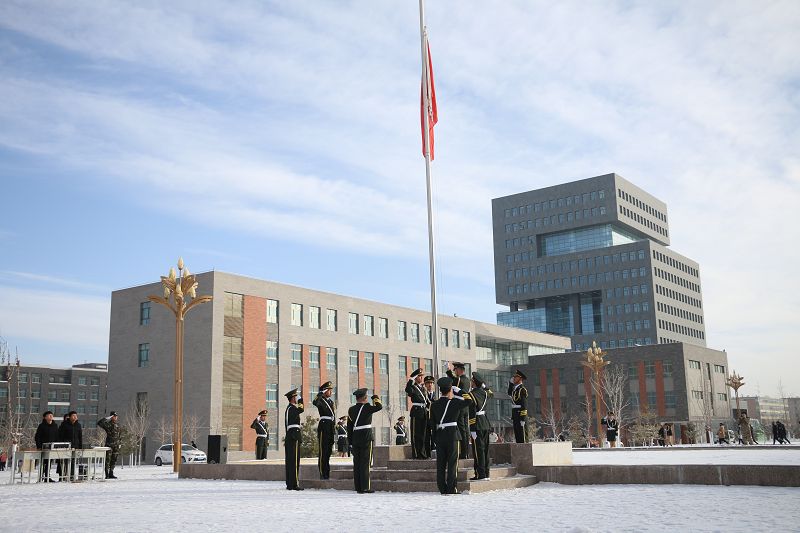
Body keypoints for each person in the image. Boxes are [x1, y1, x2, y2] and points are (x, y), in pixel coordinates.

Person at [429, 376, 470, 494]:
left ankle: (442, 488)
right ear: (451, 390)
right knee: (452, 464)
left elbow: (432, 424)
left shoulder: (434, 405)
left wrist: (435, 438)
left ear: (440, 390)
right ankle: (452, 488)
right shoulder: (455, 403)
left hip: (440, 436)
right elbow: (469, 401)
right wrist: (460, 391)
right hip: (453, 436)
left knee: (441, 464)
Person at [346, 388, 382, 494]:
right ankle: (365, 487)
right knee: (365, 463)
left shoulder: (351, 410)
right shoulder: (367, 407)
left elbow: (349, 428)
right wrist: (375, 397)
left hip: (355, 438)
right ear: (365, 397)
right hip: (366, 437)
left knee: (357, 463)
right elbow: (379, 406)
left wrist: (350, 442)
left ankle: (358, 487)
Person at [467, 372, 493, 480]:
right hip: (485, 423)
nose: (471, 382)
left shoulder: (471, 395)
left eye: (472, 381)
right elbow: (491, 393)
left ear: (474, 382)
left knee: (478, 451)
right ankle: (486, 473)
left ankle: (480, 474)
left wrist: (472, 428)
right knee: (485, 450)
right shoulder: (485, 393)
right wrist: (484, 386)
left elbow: (472, 412)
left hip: (477, 425)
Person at [446, 362, 471, 458]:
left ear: (460, 370)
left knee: (461, 430)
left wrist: (448, 371)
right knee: (465, 429)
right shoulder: (467, 380)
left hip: (459, 406)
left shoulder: (460, 379)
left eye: (455, 370)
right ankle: (466, 452)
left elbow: (453, 380)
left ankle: (463, 452)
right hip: (465, 406)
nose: (455, 372)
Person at [312, 381, 336, 480]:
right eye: (329, 390)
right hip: (324, 427)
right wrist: (320, 393)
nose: (331, 392)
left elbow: (333, 416)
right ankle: (322, 473)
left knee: (328, 451)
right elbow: (314, 402)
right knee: (323, 451)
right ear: (325, 391)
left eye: (331, 390)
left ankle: (327, 472)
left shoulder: (331, 402)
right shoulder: (321, 400)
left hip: (330, 427)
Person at [405, 368, 428, 459]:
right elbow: (408, 390)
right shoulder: (413, 387)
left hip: (423, 411)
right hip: (416, 411)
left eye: (422, 376)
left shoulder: (423, 388)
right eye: (419, 376)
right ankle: (416, 453)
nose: (421, 378)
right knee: (415, 434)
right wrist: (411, 379)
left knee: (423, 434)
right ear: (415, 377)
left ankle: (422, 453)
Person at [284, 388, 304, 490]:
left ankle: (290, 484)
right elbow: (301, 409)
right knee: (294, 461)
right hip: (294, 436)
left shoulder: (289, 409)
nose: (297, 398)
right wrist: (301, 400)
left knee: (291, 461)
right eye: (296, 397)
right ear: (293, 398)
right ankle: (294, 484)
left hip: (291, 435)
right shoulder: (291, 408)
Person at [35, 411, 60, 482]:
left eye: (51, 415)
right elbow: (37, 437)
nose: (51, 416)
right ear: (45, 417)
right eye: (49, 415)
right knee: (43, 463)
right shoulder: (41, 426)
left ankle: (47, 477)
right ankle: (41, 477)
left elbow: (57, 436)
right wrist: (39, 446)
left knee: (49, 463)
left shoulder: (55, 426)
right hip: (43, 448)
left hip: (52, 448)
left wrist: (57, 445)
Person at [97, 411, 121, 479]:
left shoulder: (118, 425)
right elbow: (99, 423)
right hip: (109, 445)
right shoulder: (108, 424)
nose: (115, 417)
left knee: (114, 459)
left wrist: (120, 443)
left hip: (116, 445)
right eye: (114, 416)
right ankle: (106, 474)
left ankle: (111, 473)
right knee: (108, 459)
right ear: (111, 417)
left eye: (116, 416)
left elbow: (119, 435)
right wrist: (107, 418)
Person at [60, 411, 83, 481]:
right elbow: (61, 435)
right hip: (66, 447)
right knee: (65, 462)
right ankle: (63, 476)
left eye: (76, 416)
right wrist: (61, 445)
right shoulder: (64, 424)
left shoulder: (78, 425)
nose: (75, 417)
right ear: (69, 417)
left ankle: (72, 476)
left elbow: (80, 437)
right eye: (73, 416)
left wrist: (80, 447)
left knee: (73, 462)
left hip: (75, 446)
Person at [508, 369, 529, 443]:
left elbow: (524, 405)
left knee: (523, 438)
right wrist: (510, 384)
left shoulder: (522, 390)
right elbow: (509, 393)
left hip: (520, 415)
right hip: (515, 415)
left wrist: (523, 418)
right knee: (517, 436)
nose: (514, 378)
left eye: (516, 377)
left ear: (520, 379)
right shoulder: (515, 389)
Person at [423, 375, 437, 456]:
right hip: (425, 418)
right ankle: (427, 453)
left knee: (435, 435)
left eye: (431, 383)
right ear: (425, 385)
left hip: (434, 418)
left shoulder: (437, 395)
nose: (430, 385)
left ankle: (434, 450)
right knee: (426, 436)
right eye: (428, 383)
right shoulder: (423, 395)